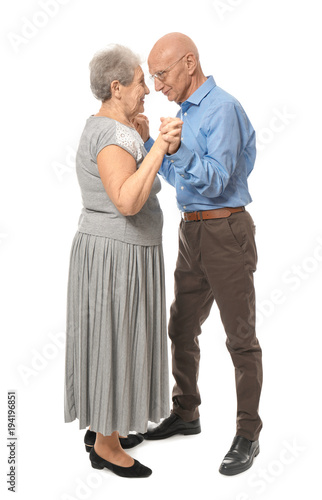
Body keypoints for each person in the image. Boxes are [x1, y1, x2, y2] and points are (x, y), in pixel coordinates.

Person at [137, 32, 263, 476]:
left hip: (226, 231)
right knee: (181, 326)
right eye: (151, 77)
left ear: (189, 63)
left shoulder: (223, 108)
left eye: (162, 74)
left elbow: (214, 179)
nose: (156, 86)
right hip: (192, 231)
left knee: (239, 338)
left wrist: (178, 147)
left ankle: (248, 433)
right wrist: (156, 144)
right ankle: (186, 412)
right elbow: (183, 182)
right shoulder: (183, 113)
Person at [64, 44, 183, 478]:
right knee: (115, 338)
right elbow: (129, 201)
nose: (147, 92)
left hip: (116, 253)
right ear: (116, 88)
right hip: (117, 256)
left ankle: (104, 428)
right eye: (139, 84)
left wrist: (143, 136)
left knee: (108, 337)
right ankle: (107, 446)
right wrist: (157, 148)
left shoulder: (113, 127)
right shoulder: (112, 136)